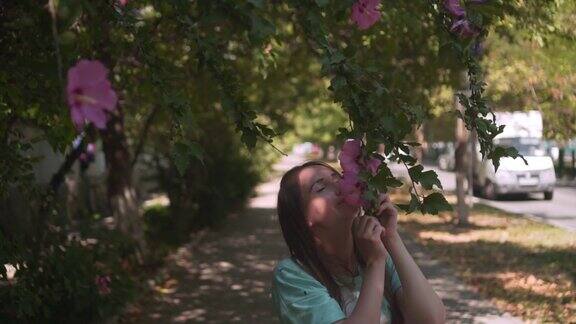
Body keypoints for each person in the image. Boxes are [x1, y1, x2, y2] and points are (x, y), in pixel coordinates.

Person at [271, 161, 446, 323]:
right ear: (302, 218)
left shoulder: (376, 248)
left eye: (338, 177)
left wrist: (391, 238)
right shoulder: (291, 275)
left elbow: (432, 319)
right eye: (321, 188)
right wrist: (374, 263)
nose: (341, 186)